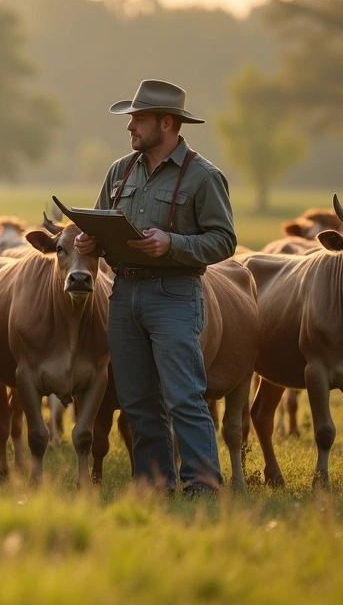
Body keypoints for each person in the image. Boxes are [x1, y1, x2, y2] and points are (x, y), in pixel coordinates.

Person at [73, 79, 237, 496]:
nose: (130, 128)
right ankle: (153, 482)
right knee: (136, 401)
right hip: (123, 295)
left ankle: (202, 487)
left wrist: (173, 243)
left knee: (184, 397)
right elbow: (99, 221)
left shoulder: (203, 176)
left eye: (138, 119)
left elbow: (224, 241)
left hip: (175, 296)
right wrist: (87, 241)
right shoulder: (119, 171)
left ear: (167, 123)